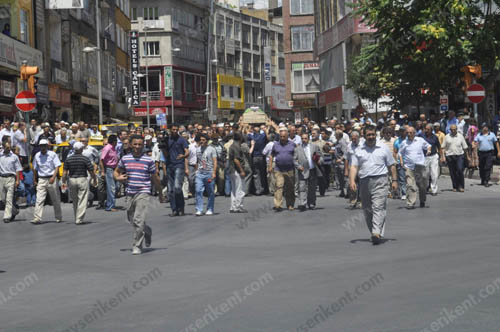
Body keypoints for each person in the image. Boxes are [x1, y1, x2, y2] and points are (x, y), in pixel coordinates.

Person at [114, 135, 165, 255]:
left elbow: (155, 178)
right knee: (131, 219)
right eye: (135, 144)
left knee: (138, 219)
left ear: (143, 146)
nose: (137, 147)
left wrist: (160, 193)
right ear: (131, 145)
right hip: (130, 193)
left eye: (140, 145)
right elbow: (116, 171)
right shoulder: (125, 159)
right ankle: (147, 230)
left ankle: (137, 246)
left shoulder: (148, 160)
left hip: (143, 192)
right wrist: (118, 177)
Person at [349, 125, 398, 245]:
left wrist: (395, 180)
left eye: (372, 134)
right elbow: (354, 167)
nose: (371, 137)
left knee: (378, 206)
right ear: (364, 136)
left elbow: (391, 165)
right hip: (364, 181)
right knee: (367, 209)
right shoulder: (359, 149)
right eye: (368, 135)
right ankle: (374, 232)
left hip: (381, 180)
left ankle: (376, 232)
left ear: (375, 135)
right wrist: (352, 181)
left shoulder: (383, 148)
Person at [61, 142, 97, 224]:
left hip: (72, 180)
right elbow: (91, 171)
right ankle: (79, 219)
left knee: (75, 200)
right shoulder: (85, 159)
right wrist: (94, 179)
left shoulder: (68, 159)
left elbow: (65, 173)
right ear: (81, 149)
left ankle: (76, 217)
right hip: (82, 179)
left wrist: (63, 182)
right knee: (83, 200)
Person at [399, 127, 431, 208]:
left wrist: (429, 150)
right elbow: (400, 153)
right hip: (409, 166)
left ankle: (422, 200)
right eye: (407, 133)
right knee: (410, 185)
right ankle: (411, 203)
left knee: (422, 186)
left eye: (411, 133)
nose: (409, 134)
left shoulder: (420, 140)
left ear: (414, 133)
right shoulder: (404, 143)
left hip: (420, 165)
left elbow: (428, 146)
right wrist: (401, 161)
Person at [32, 139, 62, 224]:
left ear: (47, 146)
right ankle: (37, 218)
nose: (43, 147)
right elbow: (35, 168)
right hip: (41, 178)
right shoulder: (37, 155)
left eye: (44, 145)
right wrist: (35, 179)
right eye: (41, 146)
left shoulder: (52, 154)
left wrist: (53, 177)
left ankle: (58, 217)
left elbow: (57, 166)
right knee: (39, 199)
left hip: (51, 178)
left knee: (55, 198)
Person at [164, 124, 189, 216]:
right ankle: (174, 209)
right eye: (173, 129)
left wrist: (183, 155)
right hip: (169, 165)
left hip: (179, 165)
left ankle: (181, 207)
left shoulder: (182, 140)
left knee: (177, 187)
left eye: (176, 129)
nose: (174, 131)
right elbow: (166, 154)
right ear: (170, 130)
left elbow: (187, 151)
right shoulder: (167, 140)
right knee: (170, 190)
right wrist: (163, 148)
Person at [294, 133, 323, 211]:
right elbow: (294, 159)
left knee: (312, 188)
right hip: (303, 171)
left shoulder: (314, 147)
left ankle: (311, 203)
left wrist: (319, 161)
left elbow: (320, 156)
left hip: (312, 170)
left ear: (308, 139)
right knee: (302, 188)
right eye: (302, 139)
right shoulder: (297, 148)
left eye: (305, 138)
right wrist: (298, 166)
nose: (304, 140)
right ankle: (302, 204)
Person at [269, 128, 296, 212]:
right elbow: (271, 155)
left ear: (287, 136)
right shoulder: (276, 145)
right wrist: (270, 166)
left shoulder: (292, 144)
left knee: (290, 188)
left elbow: (297, 154)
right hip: (278, 169)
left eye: (284, 136)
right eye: (281, 136)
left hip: (290, 169)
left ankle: (290, 204)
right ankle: (278, 205)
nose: (282, 138)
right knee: (279, 186)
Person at [194, 134, 217, 216]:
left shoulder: (212, 149)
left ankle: (210, 208)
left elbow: (215, 161)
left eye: (203, 140)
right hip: (200, 173)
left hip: (209, 172)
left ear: (207, 140)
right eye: (201, 140)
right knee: (198, 190)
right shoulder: (197, 149)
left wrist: (214, 172)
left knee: (210, 192)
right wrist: (196, 170)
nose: (201, 141)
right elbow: (197, 161)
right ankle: (199, 209)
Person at [441, 124, 468, 192]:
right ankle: (455, 186)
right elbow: (443, 147)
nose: (453, 131)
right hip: (450, 156)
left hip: (459, 155)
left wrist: (467, 157)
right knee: (452, 172)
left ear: (456, 129)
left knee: (459, 169)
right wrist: (443, 157)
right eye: (451, 129)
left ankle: (461, 186)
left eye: (454, 129)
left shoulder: (460, 136)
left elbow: (465, 147)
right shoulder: (447, 136)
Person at [0, 136, 22, 223]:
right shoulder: (0, 155)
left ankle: (7, 216)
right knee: (3, 199)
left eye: (9, 143)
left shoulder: (14, 157)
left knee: (9, 198)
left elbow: (18, 169)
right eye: (7, 143)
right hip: (2, 178)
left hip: (11, 178)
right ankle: (14, 211)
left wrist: (18, 180)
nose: (8, 144)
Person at [419, 124, 441, 196]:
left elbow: (439, 147)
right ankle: (425, 188)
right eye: (425, 129)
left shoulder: (435, 137)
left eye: (428, 129)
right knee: (425, 175)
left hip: (434, 156)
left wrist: (442, 156)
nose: (426, 130)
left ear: (431, 130)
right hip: (424, 157)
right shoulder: (421, 136)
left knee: (434, 174)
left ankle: (434, 190)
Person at [228, 132, 247, 213]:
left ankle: (233, 206)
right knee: (240, 189)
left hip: (232, 170)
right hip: (236, 171)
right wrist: (241, 171)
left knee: (234, 190)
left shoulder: (232, 145)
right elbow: (236, 160)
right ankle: (238, 206)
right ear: (241, 138)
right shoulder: (236, 146)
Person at [100, 135, 119, 211]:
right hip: (109, 169)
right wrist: (103, 171)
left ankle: (110, 203)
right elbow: (101, 160)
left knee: (116, 187)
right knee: (111, 188)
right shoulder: (107, 148)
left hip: (115, 169)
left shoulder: (113, 148)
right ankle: (110, 206)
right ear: (114, 141)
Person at [248, 124, 268, 195]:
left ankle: (257, 189)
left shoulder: (251, 137)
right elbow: (266, 134)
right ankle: (263, 188)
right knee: (262, 173)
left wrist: (249, 128)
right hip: (261, 156)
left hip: (254, 157)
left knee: (256, 174)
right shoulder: (262, 136)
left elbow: (247, 134)